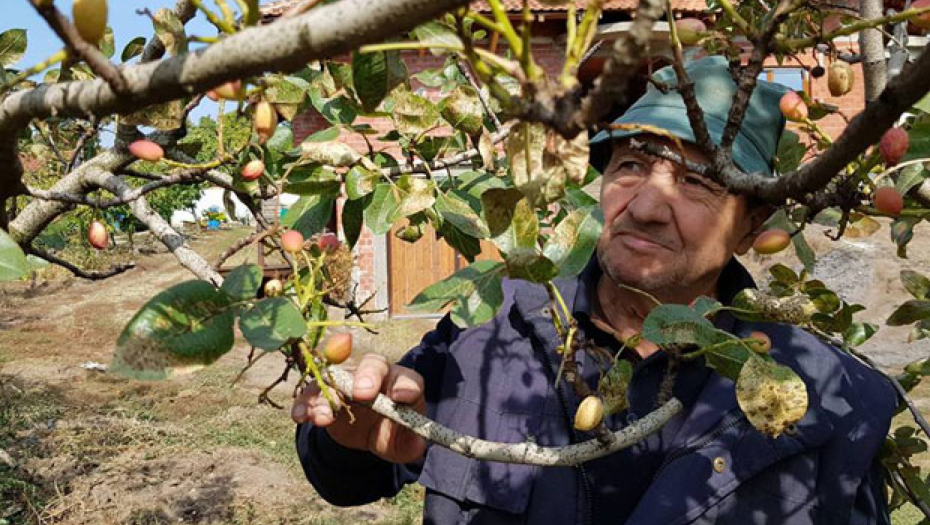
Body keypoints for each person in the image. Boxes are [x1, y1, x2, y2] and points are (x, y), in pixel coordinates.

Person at [292, 56, 898, 524]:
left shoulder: (826, 401)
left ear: (752, 228)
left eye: (700, 181)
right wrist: (349, 437)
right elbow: (345, 479)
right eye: (631, 164)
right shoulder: (490, 330)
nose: (648, 205)